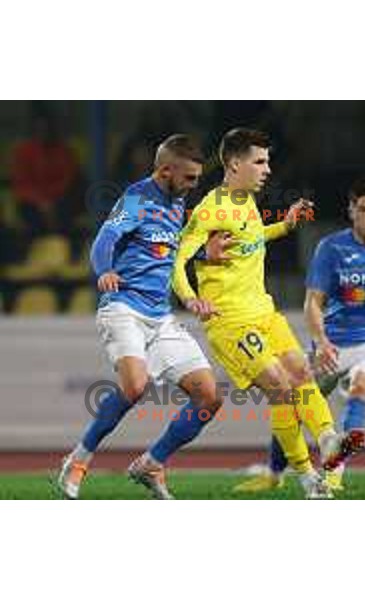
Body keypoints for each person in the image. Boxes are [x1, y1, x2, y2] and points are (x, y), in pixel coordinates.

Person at [172, 128, 342, 499]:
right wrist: (190, 298)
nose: (268, 169)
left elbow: (251, 240)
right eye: (260, 161)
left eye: (268, 161)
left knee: (299, 371)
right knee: (280, 386)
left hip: (263, 310)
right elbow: (178, 257)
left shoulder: (246, 201)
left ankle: (328, 438)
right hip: (229, 320)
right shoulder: (210, 209)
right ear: (234, 163)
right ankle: (307, 474)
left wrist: (285, 225)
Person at [58, 134, 224, 500]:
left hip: (160, 316)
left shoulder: (177, 203)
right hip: (124, 307)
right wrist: (104, 270)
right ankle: (78, 460)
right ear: (166, 171)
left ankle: (152, 463)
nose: (194, 186)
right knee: (135, 386)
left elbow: (166, 250)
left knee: (209, 397)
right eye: (190, 178)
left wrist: (202, 255)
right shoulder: (137, 197)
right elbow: (105, 237)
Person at [235, 178, 365, 493]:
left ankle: (334, 473)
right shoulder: (331, 248)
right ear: (351, 211)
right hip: (332, 343)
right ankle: (274, 473)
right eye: (363, 209)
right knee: (293, 399)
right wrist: (321, 342)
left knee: (360, 389)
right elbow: (313, 302)